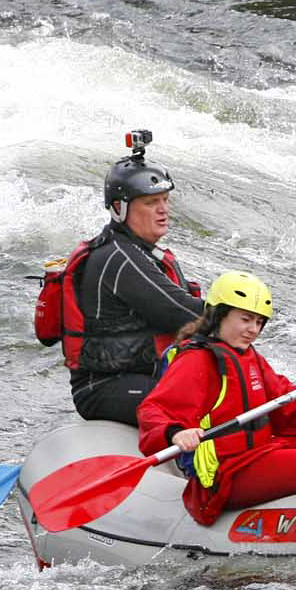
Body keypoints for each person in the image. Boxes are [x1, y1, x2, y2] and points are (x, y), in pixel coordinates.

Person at [137, 272, 296, 526]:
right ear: (219, 314)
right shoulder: (197, 360)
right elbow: (154, 410)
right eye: (246, 319)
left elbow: (289, 410)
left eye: (260, 322)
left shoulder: (248, 356)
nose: (253, 330)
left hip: (262, 452)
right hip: (229, 473)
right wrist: (175, 433)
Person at [36, 130, 204, 425]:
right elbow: (181, 313)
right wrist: (239, 314)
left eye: (165, 200)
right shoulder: (119, 259)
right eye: (151, 203)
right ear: (119, 208)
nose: (163, 210)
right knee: (197, 403)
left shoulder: (141, 252)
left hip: (139, 374)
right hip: (104, 387)